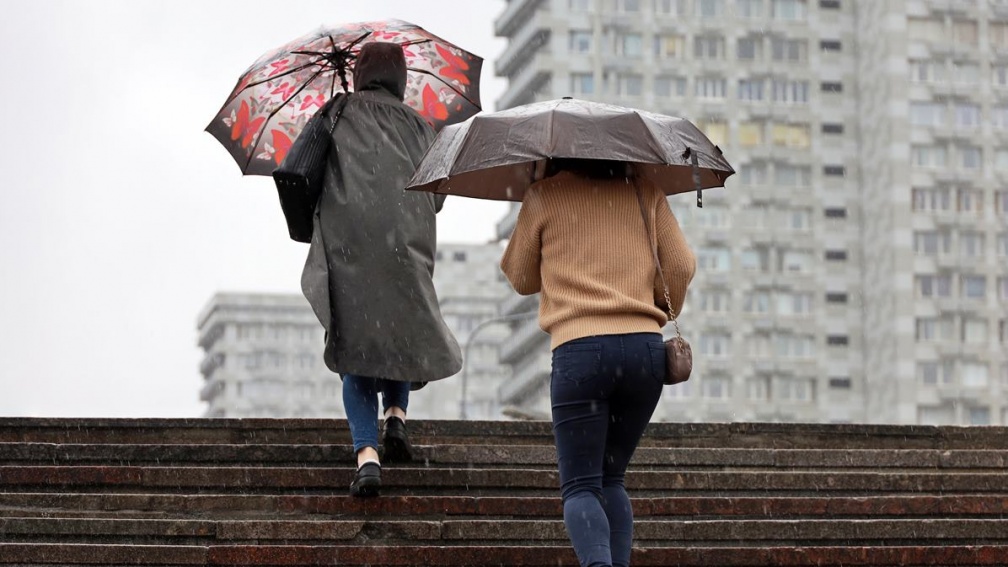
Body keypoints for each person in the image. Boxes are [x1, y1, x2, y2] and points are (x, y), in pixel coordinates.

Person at [500, 158, 696, 567]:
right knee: (611, 478)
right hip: (644, 352)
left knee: (582, 486)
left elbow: (521, 278)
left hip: (580, 351)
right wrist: (658, 302)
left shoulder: (544, 195)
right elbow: (679, 265)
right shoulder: (644, 191)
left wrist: (538, 192)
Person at [297, 42, 462, 497]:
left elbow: (301, 173)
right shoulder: (423, 126)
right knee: (398, 331)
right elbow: (439, 194)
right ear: (402, 79)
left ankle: (367, 458)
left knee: (356, 349)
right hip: (405, 244)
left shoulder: (335, 113)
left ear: (359, 74)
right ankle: (396, 418)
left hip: (350, 246)